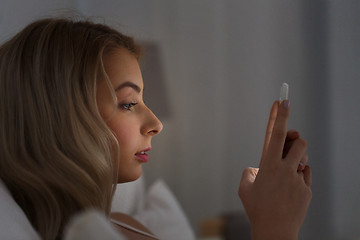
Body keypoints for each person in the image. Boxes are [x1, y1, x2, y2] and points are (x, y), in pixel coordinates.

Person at [0, 18, 311, 240]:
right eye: (128, 103)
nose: (156, 125)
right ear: (58, 117)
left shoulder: (125, 225)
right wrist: (276, 227)